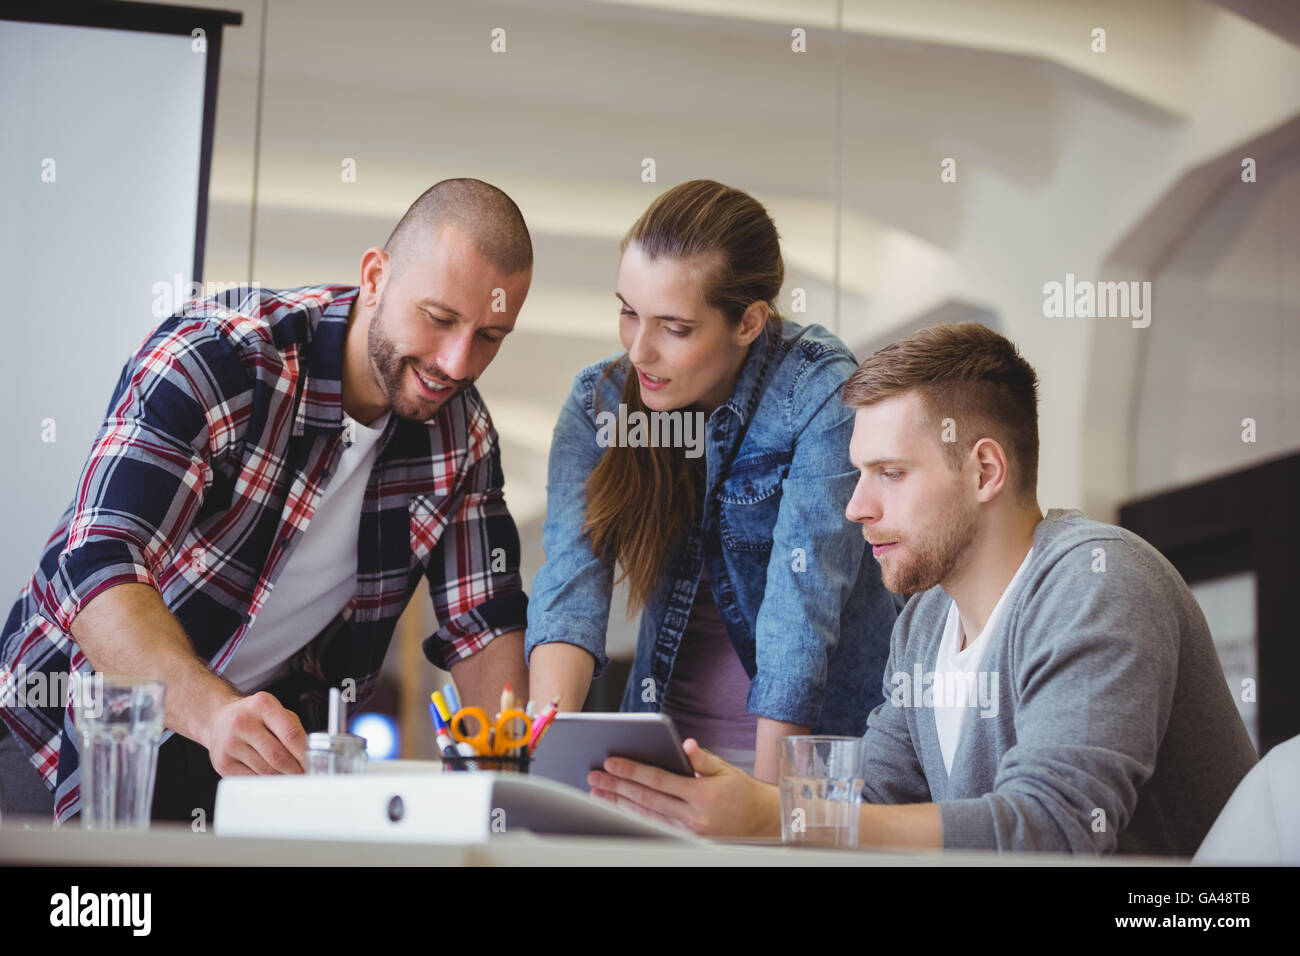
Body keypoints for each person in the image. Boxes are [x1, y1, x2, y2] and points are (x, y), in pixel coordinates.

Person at [587, 322, 1258, 855]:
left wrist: (780, 817)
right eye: (858, 474)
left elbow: (1054, 832)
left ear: (985, 470)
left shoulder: (1096, 585)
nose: (857, 508)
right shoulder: (924, 623)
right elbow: (878, 803)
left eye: (890, 472)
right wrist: (749, 808)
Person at [0, 179, 534, 826]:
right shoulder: (220, 356)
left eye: (490, 336)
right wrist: (214, 713)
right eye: (441, 318)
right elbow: (96, 564)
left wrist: (502, 790)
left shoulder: (463, 436)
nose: (456, 362)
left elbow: (484, 626)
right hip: (61, 728)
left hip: (243, 755)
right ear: (374, 277)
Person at [525, 180, 898, 782]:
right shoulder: (600, 404)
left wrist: (773, 809)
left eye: (673, 328)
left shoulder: (818, 391)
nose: (639, 352)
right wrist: (546, 761)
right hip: (663, 753)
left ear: (748, 322)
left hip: (810, 763)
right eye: (628, 313)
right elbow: (570, 582)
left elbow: (800, 611)